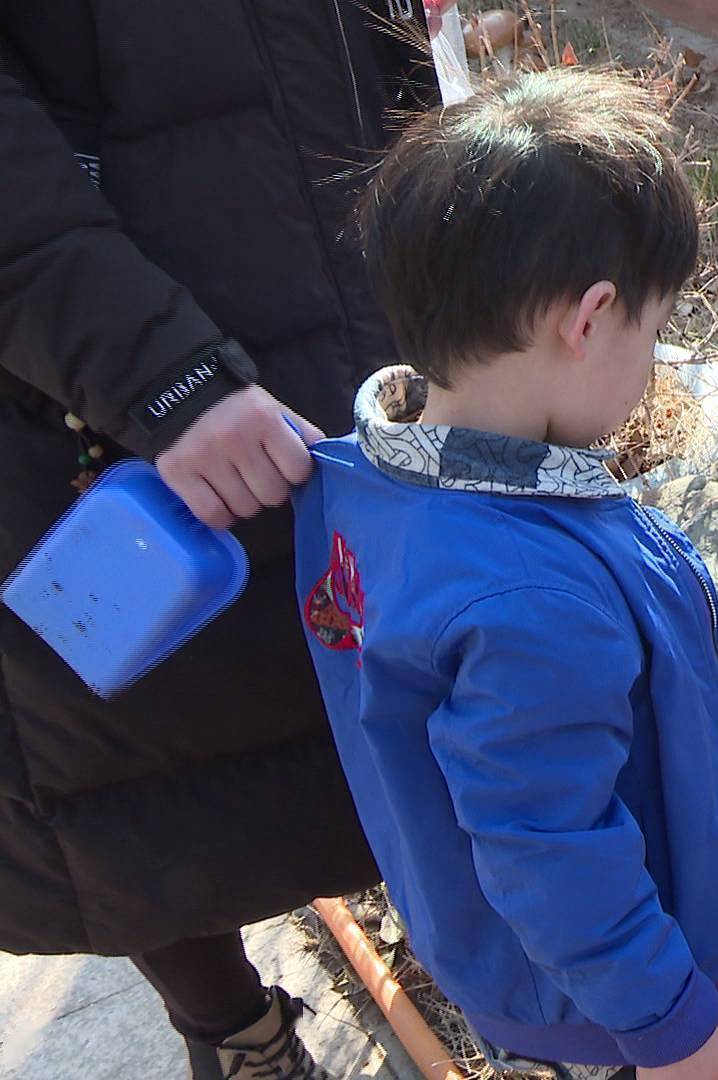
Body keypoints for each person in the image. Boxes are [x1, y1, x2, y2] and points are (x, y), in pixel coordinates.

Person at [292, 66, 718, 1080]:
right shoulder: (529, 604)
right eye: (655, 329)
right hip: (629, 1007)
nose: (656, 359)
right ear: (587, 322)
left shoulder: (363, 482)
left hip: (521, 971)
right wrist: (672, 1032)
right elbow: (549, 849)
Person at [0, 5, 435, 1076]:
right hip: (93, 384)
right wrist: (159, 375)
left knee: (424, 703)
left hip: (355, 303)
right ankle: (239, 1041)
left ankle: (497, 972)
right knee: (138, 783)